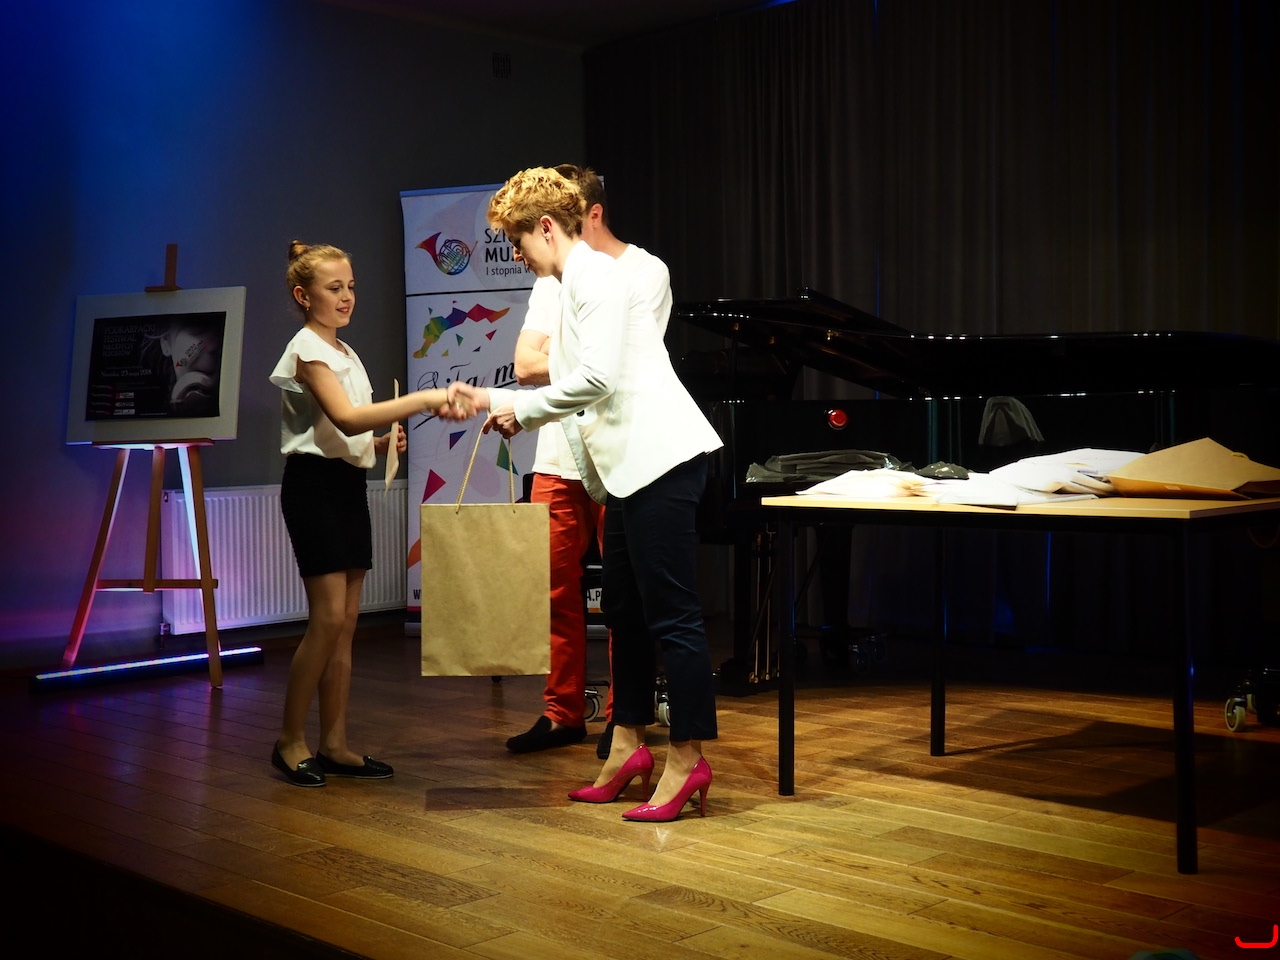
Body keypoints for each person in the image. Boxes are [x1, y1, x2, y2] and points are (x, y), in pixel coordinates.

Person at [450, 168, 723, 822]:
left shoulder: (596, 277)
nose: (517, 255)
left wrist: (512, 407)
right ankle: (626, 746)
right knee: (624, 613)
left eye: (518, 240)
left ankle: (688, 758)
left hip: (662, 461)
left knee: (673, 618)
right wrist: (501, 401)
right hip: (628, 472)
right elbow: (574, 377)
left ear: (546, 227)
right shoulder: (572, 282)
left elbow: (595, 379)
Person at [269, 240, 471, 787]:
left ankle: (334, 743)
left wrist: (381, 446)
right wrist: (426, 400)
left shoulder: (345, 350)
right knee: (327, 620)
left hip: (345, 485)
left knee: (346, 626)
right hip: (313, 489)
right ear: (303, 295)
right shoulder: (307, 350)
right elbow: (348, 418)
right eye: (334, 288)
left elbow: (348, 432)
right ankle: (289, 739)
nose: (346, 297)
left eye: (351, 287)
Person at [505, 164, 668, 759]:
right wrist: (575, 356)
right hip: (556, 455)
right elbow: (524, 364)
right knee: (553, 589)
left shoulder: (645, 271)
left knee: (625, 594)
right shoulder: (550, 277)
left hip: (614, 451)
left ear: (589, 213)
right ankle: (562, 712)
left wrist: (562, 357)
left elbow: (617, 366)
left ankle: (626, 716)